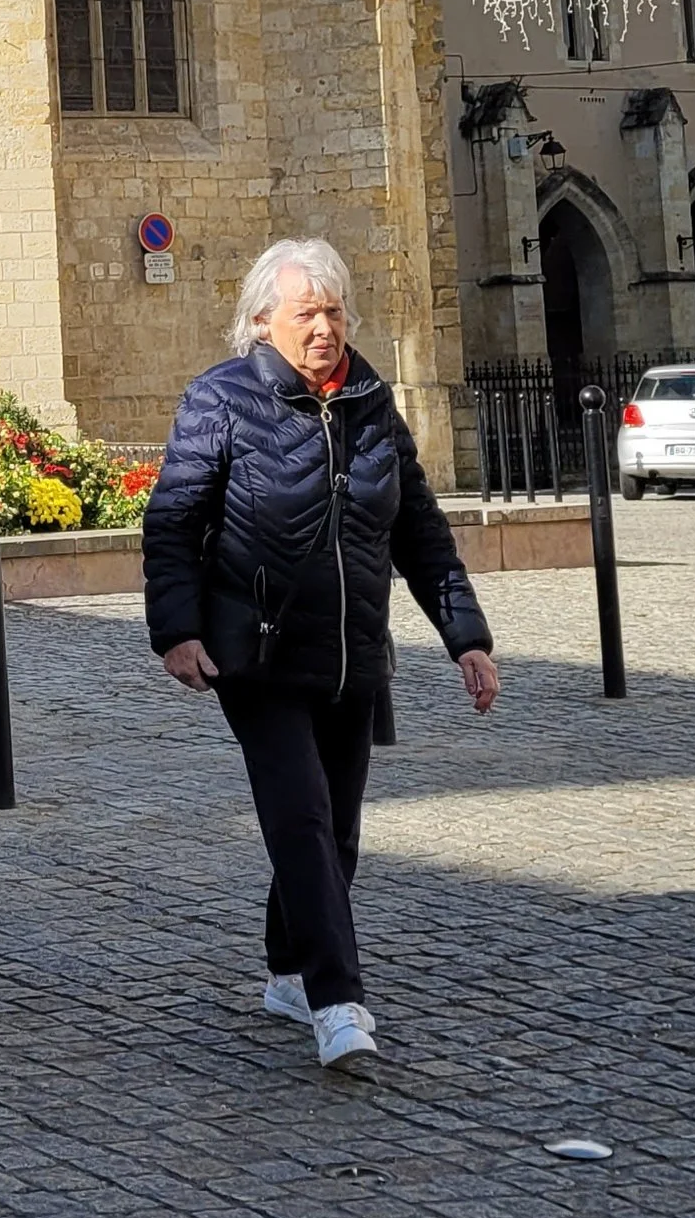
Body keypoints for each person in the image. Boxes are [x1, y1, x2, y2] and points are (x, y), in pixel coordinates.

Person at [143, 239, 499, 1070]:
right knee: (300, 821)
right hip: (255, 655)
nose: (324, 328)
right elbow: (173, 523)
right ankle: (338, 1000)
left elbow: (419, 530)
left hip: (352, 657)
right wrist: (178, 630)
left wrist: (467, 638)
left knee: (336, 833)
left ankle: (285, 969)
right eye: (307, 313)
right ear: (262, 321)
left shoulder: (372, 402)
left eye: (334, 311)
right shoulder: (220, 400)